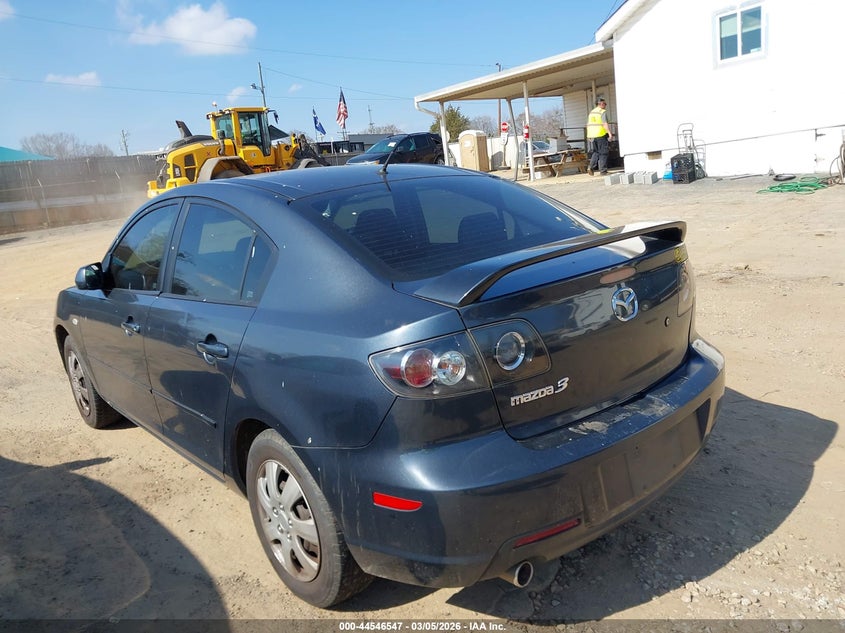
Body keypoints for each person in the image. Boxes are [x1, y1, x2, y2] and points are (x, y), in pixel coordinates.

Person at [586, 98, 613, 176]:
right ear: (600, 104)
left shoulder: (592, 112)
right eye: (604, 104)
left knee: (596, 152)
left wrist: (588, 135)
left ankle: (590, 167)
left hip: (593, 135)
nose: (605, 105)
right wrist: (610, 133)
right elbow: (604, 124)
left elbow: (588, 124)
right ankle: (603, 171)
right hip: (601, 134)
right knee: (603, 153)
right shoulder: (602, 112)